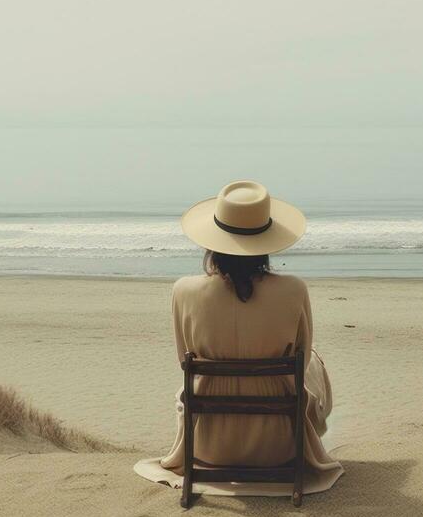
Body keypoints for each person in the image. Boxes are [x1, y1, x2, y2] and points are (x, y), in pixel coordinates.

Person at [133, 180, 343, 497]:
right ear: (268, 241)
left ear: (212, 241)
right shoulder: (294, 289)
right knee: (312, 361)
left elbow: (183, 359)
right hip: (279, 446)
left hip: (208, 446)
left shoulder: (183, 290)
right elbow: (302, 352)